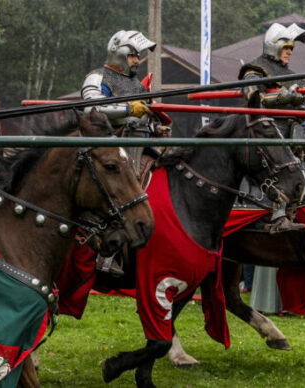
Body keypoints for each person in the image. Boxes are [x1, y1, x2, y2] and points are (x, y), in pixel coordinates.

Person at [81, 30, 171, 276]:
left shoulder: (135, 84)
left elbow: (142, 118)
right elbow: (91, 107)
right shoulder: (97, 77)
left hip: (139, 147)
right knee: (121, 195)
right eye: (133, 56)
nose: (136, 61)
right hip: (107, 151)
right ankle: (105, 254)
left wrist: (156, 129)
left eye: (138, 56)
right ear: (119, 53)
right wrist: (127, 109)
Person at [237, 22, 305, 234]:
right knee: (281, 164)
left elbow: (299, 107)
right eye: (286, 48)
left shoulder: (293, 75)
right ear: (273, 45)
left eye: (291, 49)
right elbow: (252, 97)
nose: (289, 52)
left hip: (291, 129)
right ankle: (278, 214)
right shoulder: (255, 69)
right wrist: (282, 97)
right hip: (264, 128)